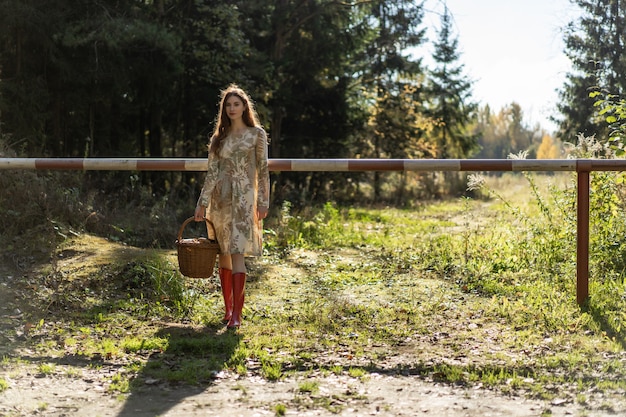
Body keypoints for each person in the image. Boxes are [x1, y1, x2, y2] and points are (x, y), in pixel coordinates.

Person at [194, 84, 270, 329]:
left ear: (245, 106)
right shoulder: (219, 138)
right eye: (228, 105)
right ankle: (227, 309)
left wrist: (263, 202)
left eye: (236, 104)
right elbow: (212, 173)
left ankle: (237, 314)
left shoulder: (256, 134)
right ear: (224, 109)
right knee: (223, 253)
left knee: (237, 251)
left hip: (244, 200)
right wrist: (202, 203)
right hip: (220, 200)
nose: (232, 108)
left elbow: (264, 170)